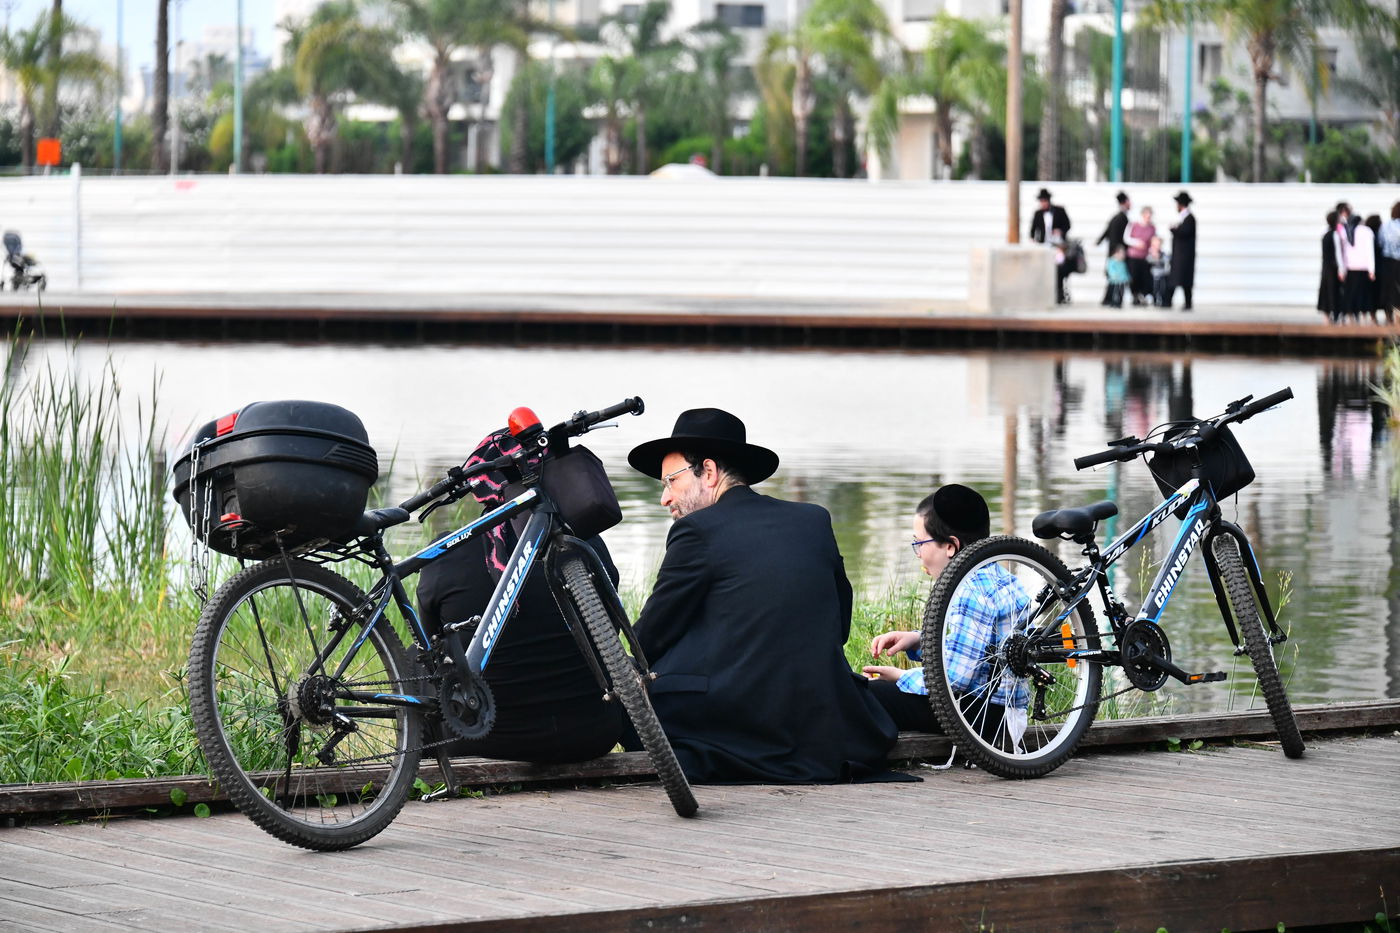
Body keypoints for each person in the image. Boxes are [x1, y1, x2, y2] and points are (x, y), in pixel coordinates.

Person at [626, 408, 898, 783]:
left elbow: (650, 639)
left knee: (624, 709)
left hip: (736, 715)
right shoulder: (814, 519)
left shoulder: (696, 530)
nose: (665, 498)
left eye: (671, 481)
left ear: (709, 471)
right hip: (816, 717)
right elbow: (840, 624)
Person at [417, 433, 626, 762]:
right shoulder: (585, 542)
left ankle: (424, 770)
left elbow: (429, 644)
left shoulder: (446, 552)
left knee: (415, 663)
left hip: (483, 742)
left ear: (480, 486)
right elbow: (611, 628)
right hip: (592, 735)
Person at [862, 485, 1029, 745]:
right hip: (1003, 711)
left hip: (983, 717)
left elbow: (954, 679)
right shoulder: (999, 576)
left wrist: (900, 676)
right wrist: (918, 640)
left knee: (865, 694)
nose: (919, 553)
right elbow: (978, 651)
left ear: (950, 546)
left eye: (919, 543)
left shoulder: (970, 590)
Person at [1029, 188, 1073, 305]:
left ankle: (1060, 294)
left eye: (1044, 201)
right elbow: (1033, 230)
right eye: (1041, 201)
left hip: (1058, 246)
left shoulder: (1059, 211)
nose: (1042, 203)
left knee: (1059, 269)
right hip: (1044, 246)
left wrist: (1060, 231)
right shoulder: (1038, 214)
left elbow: (1068, 225)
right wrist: (1034, 239)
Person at [1339, 207, 1376, 322]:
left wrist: (1342, 269)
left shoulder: (1346, 231)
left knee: (1350, 294)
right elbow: (1370, 251)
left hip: (1350, 268)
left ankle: (1351, 318)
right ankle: (1364, 317)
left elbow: (1343, 252)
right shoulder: (1367, 231)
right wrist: (1372, 270)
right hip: (1363, 268)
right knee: (1363, 294)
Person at [1096, 191, 1131, 307]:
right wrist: (1119, 251)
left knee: (1113, 276)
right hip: (1117, 252)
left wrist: (1099, 241)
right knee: (1117, 276)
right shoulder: (1121, 218)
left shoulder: (1117, 217)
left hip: (1113, 250)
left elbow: (1107, 231)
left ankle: (1108, 298)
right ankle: (1113, 299)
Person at [1166, 191, 1196, 311]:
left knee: (1182, 280)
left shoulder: (1189, 218)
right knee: (1178, 279)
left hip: (1184, 257)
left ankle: (1171, 301)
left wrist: (1174, 229)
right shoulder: (1185, 218)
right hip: (1180, 255)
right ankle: (1168, 301)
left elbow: (1185, 233)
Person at [1124, 206, 1156, 305]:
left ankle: (1143, 296)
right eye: (1146, 215)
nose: (1148, 218)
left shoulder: (1152, 227)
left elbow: (1153, 241)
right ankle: (1135, 295)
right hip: (1133, 256)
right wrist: (1136, 243)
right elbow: (1126, 238)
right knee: (1134, 277)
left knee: (1144, 278)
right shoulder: (1133, 225)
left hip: (1145, 257)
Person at [1378, 202, 1400, 324]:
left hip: (1387, 261)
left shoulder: (1385, 225)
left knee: (1387, 288)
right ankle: (1398, 318)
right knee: (1398, 289)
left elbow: (1380, 242)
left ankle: (1388, 317)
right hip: (1398, 260)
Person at [1319, 210, 1341, 323]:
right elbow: (1338, 254)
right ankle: (1335, 315)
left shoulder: (1324, 233)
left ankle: (1326, 317)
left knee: (1325, 290)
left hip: (1325, 266)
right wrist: (1342, 269)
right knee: (1334, 291)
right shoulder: (1335, 234)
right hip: (1333, 267)